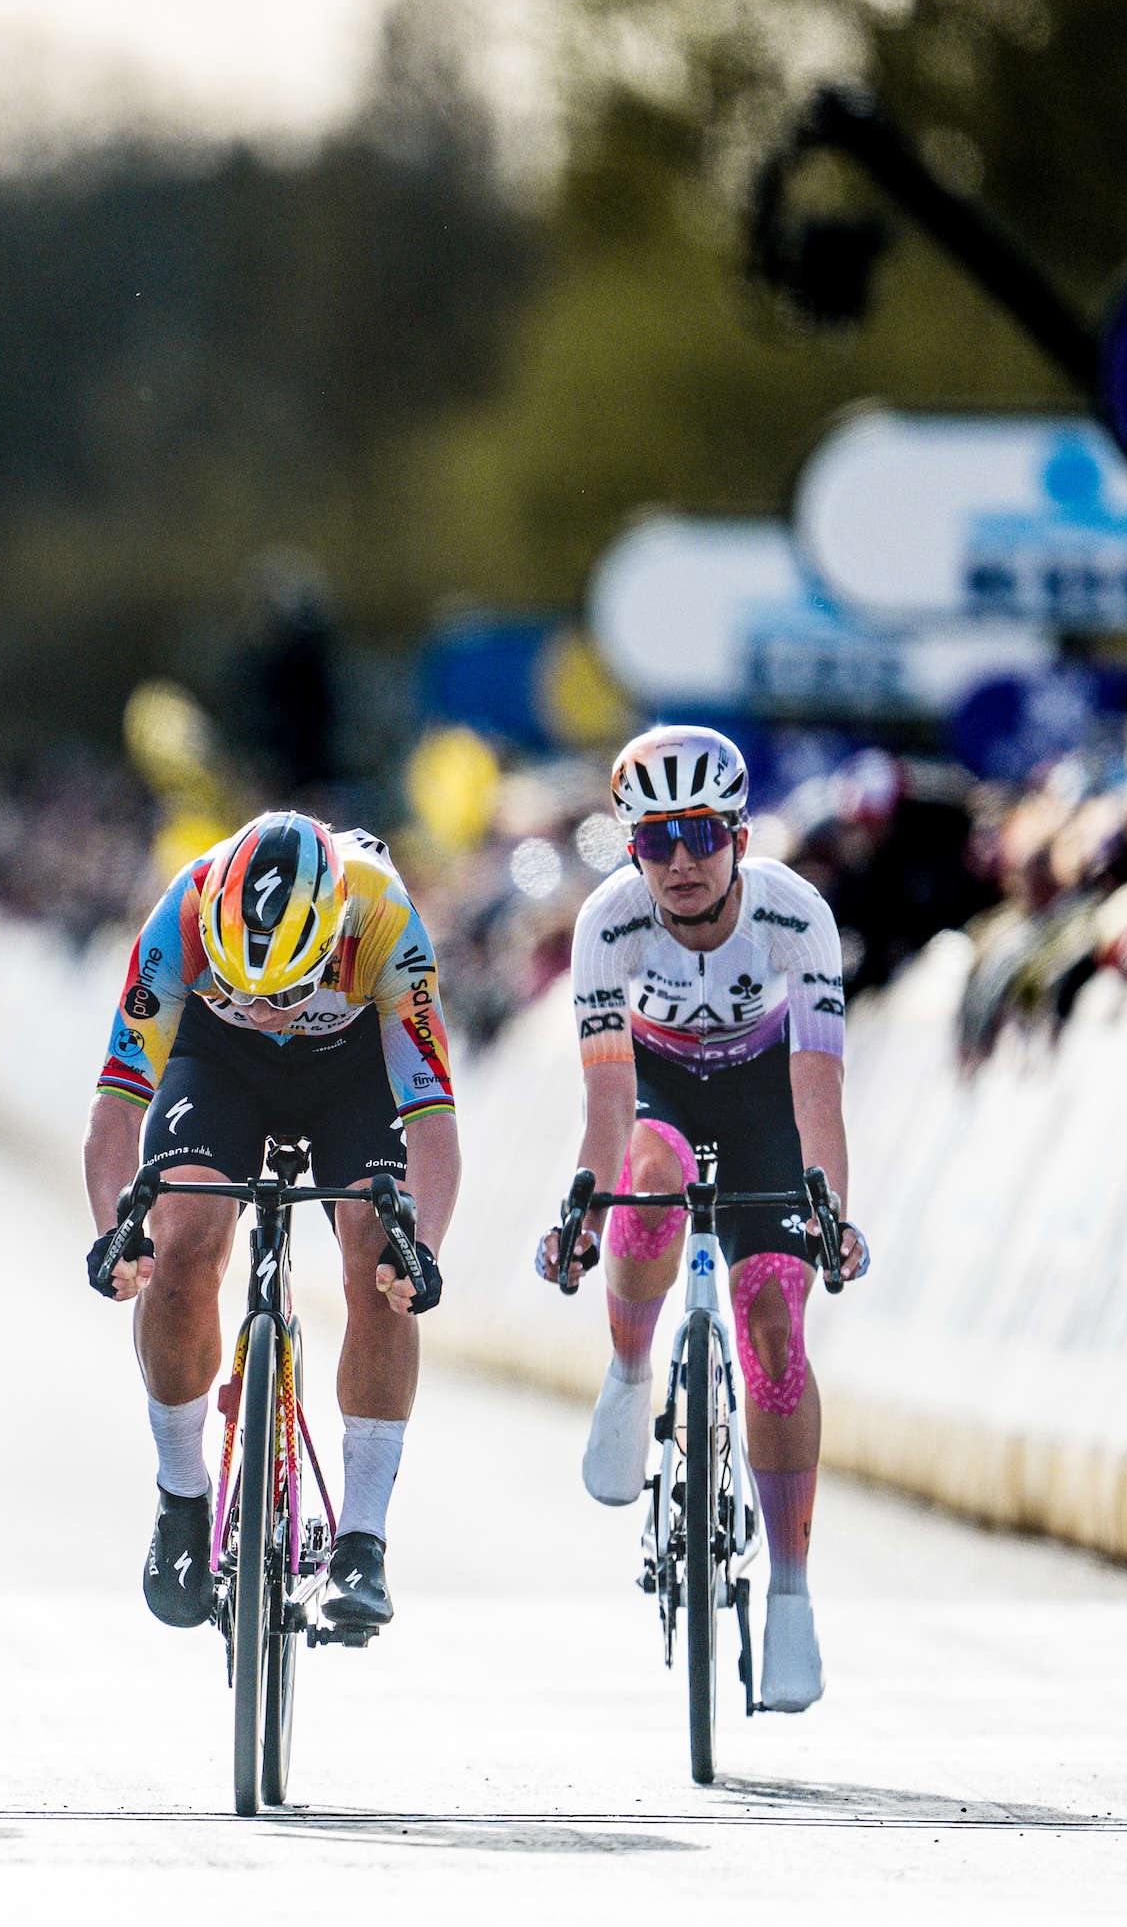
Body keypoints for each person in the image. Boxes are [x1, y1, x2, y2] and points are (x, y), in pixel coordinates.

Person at [536, 724, 870, 1713]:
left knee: (774, 1319)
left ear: (737, 831)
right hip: (664, 1087)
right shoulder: (609, 919)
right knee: (651, 1172)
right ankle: (633, 1373)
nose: (679, 860)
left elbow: (819, 1093)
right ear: (630, 845)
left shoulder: (794, 913)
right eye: (654, 839)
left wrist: (830, 1208)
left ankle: (795, 1596)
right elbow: (607, 1102)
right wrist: (587, 1207)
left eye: (699, 835)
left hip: (770, 1096)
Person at [83, 811, 456, 1637]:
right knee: (180, 1245)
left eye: (284, 992)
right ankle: (182, 1496)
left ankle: (363, 1537)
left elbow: (433, 1122)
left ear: (331, 943)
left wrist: (422, 1249)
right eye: (241, 988)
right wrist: (119, 1230)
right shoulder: (180, 917)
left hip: (353, 1072)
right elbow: (116, 1109)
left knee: (379, 1257)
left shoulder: (385, 920)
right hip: (216, 1066)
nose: (260, 1008)